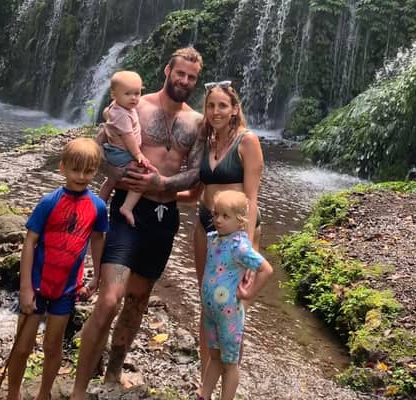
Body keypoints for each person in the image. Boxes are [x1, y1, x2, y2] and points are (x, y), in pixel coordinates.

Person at [70, 47, 205, 400]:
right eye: (180, 74)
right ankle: (80, 387)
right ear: (167, 71)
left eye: (192, 77)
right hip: (129, 213)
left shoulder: (197, 122)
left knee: (138, 299)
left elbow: (196, 173)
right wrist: (114, 172)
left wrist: (162, 184)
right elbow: (95, 148)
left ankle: (113, 372)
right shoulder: (133, 105)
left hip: (164, 218)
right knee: (110, 298)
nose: (185, 81)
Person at [6, 137, 108, 400]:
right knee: (22, 347)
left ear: (96, 171)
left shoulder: (97, 207)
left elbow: (97, 240)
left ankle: (44, 394)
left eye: (89, 171)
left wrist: (97, 277)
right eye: (76, 170)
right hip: (38, 285)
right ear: (62, 168)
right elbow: (30, 243)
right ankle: (13, 393)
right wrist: (25, 287)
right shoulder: (48, 202)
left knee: (53, 345)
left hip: (66, 289)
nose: (82, 176)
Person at [177, 79, 264, 379]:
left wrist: (248, 247)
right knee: (208, 302)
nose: (216, 111)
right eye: (211, 105)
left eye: (222, 105)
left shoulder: (247, 141)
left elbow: (251, 198)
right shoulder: (207, 142)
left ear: (235, 108)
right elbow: (195, 192)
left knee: (233, 308)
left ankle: (229, 383)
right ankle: (205, 383)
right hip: (205, 226)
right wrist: (157, 192)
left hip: (237, 234)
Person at [197, 190, 273, 400]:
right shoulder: (214, 239)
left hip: (229, 313)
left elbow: (266, 269)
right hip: (211, 311)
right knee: (214, 355)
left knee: (230, 362)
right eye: (216, 214)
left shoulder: (239, 246)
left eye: (225, 216)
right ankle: (204, 394)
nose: (218, 220)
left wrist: (249, 293)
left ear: (241, 221)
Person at [97, 70, 149, 227]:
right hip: (123, 153)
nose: (134, 98)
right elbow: (128, 137)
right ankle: (127, 207)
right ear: (114, 95)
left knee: (110, 181)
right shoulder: (123, 115)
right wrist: (138, 154)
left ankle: (99, 204)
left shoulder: (116, 107)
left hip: (113, 151)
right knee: (142, 175)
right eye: (128, 94)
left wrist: (108, 116)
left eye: (137, 93)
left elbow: (107, 112)